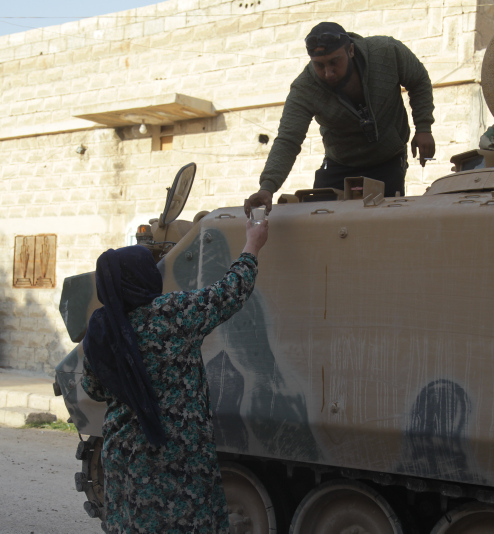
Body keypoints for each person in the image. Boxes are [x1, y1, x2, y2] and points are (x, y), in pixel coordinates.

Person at [82, 219, 269, 534]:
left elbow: (93, 388)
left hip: (126, 456)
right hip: (178, 457)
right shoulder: (171, 313)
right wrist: (253, 244)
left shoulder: (101, 328)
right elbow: (230, 292)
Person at [245, 21, 436, 216]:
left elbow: (419, 80)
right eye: (319, 65)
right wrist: (267, 187)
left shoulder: (387, 52)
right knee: (321, 218)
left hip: (388, 159)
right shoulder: (304, 89)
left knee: (383, 221)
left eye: (334, 62)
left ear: (350, 50)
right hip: (340, 163)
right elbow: (288, 140)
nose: (328, 73)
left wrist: (423, 127)